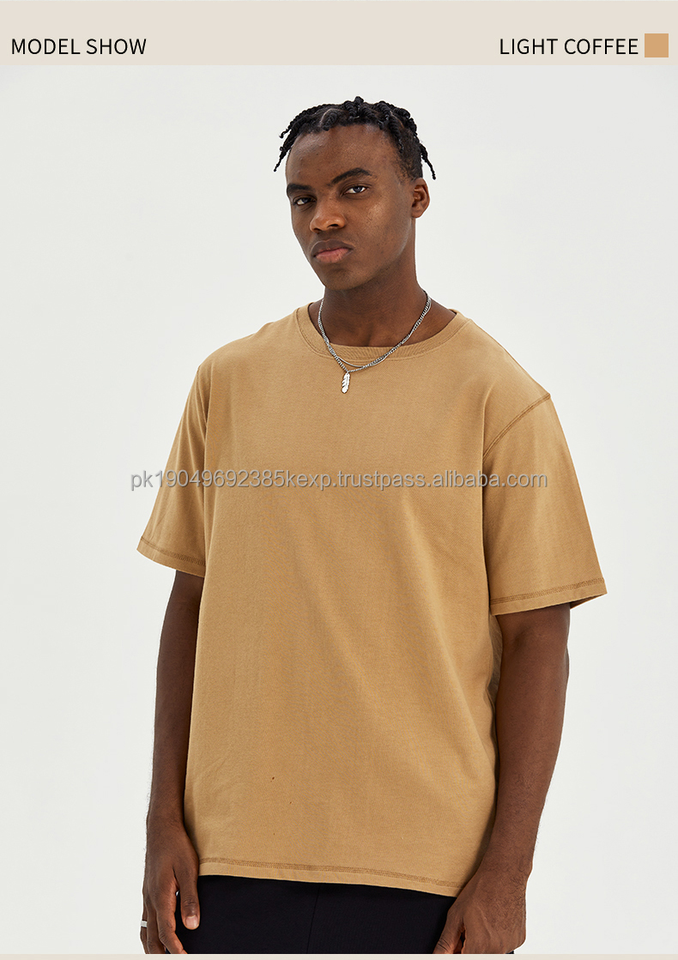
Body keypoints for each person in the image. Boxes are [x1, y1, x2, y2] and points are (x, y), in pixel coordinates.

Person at [137, 96, 606, 955]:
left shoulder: (500, 399)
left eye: (353, 188)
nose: (325, 217)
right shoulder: (228, 382)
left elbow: (540, 640)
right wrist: (161, 821)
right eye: (303, 198)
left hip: (427, 874)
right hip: (229, 864)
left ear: (416, 197)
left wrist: (508, 873)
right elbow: (190, 603)